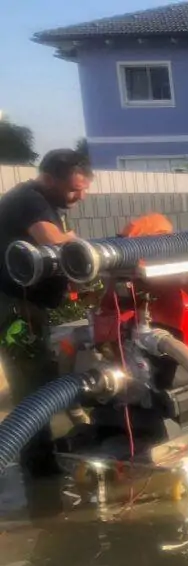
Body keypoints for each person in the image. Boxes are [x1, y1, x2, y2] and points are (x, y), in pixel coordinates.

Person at [0, 149, 93, 477]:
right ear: (49, 179)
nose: (80, 196)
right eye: (73, 189)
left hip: (27, 305)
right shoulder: (30, 200)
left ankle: (44, 457)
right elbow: (57, 246)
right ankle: (39, 470)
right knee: (32, 384)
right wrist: (71, 240)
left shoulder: (47, 201)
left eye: (84, 189)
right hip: (14, 307)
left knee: (42, 378)